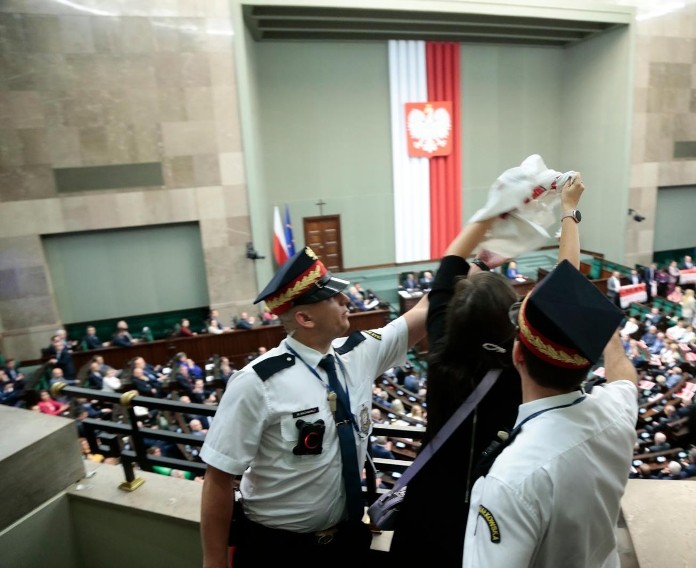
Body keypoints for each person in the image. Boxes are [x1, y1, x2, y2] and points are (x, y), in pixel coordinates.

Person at [389, 168, 584, 566]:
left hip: (426, 510)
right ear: (510, 324)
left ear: (451, 314)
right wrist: (568, 211)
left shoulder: (441, 352)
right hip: (489, 512)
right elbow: (567, 292)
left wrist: (494, 209)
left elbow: (451, 261)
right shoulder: (522, 367)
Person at [199, 246, 428, 568]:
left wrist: (475, 260)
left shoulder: (358, 353)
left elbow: (425, 310)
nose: (346, 301)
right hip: (278, 549)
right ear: (305, 318)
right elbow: (218, 476)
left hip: (347, 541)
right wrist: (214, 562)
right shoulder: (257, 382)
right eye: (334, 298)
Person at [462, 262, 638, 567]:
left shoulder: (511, 479)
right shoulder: (616, 411)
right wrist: (607, 337)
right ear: (587, 364)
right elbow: (625, 378)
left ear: (517, 355)